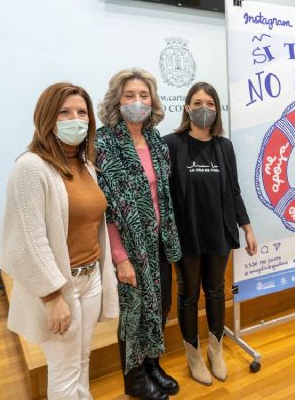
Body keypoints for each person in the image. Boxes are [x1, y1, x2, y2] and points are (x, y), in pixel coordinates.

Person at [1, 83, 119, 399]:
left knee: (81, 360)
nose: (75, 119)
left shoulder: (85, 166)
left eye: (82, 112)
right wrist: (52, 297)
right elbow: (27, 240)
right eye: (65, 112)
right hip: (59, 288)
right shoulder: (31, 167)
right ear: (47, 118)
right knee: (64, 370)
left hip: (90, 278)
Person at [163, 82, 257, 385]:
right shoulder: (171, 144)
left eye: (211, 103)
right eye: (198, 102)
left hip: (219, 232)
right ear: (187, 107)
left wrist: (247, 227)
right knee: (189, 295)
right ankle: (193, 355)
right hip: (187, 234)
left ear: (217, 109)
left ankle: (216, 350)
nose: (205, 108)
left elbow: (234, 191)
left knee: (216, 291)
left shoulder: (223, 146)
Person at [96, 68, 181, 400]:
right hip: (130, 249)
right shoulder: (104, 142)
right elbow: (108, 208)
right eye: (129, 95)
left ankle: (152, 365)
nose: (137, 102)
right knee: (134, 312)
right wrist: (120, 258)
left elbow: (164, 195)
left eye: (143, 95)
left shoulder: (156, 141)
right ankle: (134, 379)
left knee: (160, 306)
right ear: (117, 99)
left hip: (159, 241)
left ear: (153, 100)